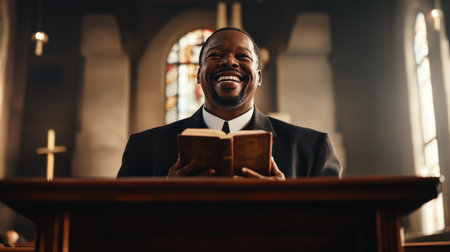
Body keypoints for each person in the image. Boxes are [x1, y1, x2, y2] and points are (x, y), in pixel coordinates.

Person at [117, 27, 342, 179]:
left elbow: (339, 231)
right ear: (198, 75)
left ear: (259, 77)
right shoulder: (144, 149)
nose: (229, 62)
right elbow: (116, 230)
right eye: (215, 55)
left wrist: (284, 204)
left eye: (243, 56)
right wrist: (164, 201)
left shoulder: (312, 149)